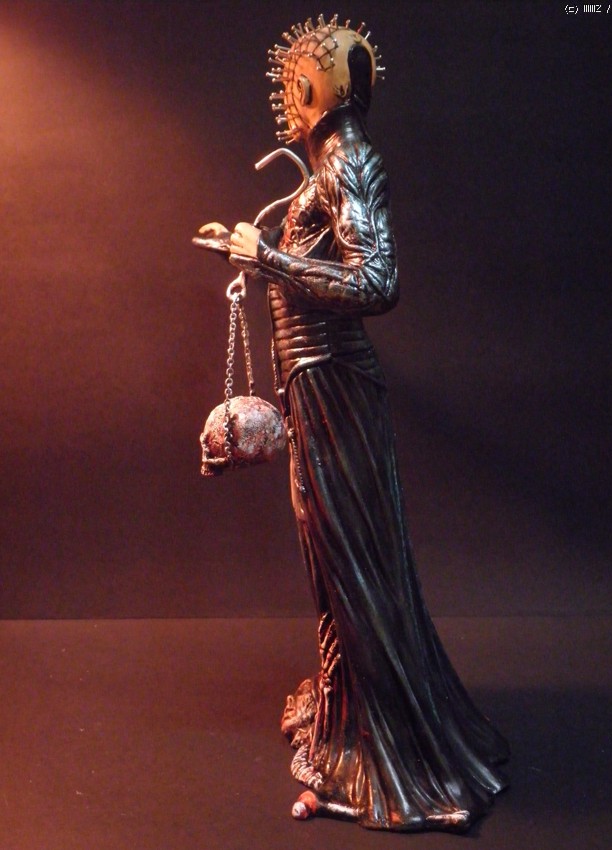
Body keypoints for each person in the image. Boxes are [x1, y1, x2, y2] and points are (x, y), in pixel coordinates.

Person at [199, 15, 508, 832]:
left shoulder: (350, 160)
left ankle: (382, 753)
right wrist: (254, 250)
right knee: (338, 565)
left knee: (350, 565)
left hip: (335, 386)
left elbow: (377, 283)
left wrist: (266, 257)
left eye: (291, 86)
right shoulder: (336, 162)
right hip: (318, 385)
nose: (286, 100)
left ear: (309, 87)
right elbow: (333, 265)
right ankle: (347, 718)